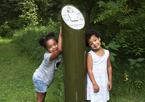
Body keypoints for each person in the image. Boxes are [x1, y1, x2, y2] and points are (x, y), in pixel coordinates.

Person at [32, 26, 62, 102]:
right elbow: (60, 49)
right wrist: (60, 34)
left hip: (41, 78)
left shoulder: (54, 52)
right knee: (40, 99)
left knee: (42, 98)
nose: (54, 47)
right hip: (40, 78)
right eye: (50, 47)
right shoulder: (48, 56)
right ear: (46, 49)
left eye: (55, 44)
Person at [86, 29, 112, 102]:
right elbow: (89, 70)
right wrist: (94, 84)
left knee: (103, 99)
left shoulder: (107, 53)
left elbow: (109, 67)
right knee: (95, 99)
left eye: (95, 40)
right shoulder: (90, 55)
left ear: (99, 38)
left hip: (104, 81)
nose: (94, 43)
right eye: (91, 43)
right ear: (89, 46)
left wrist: (110, 80)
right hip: (94, 81)